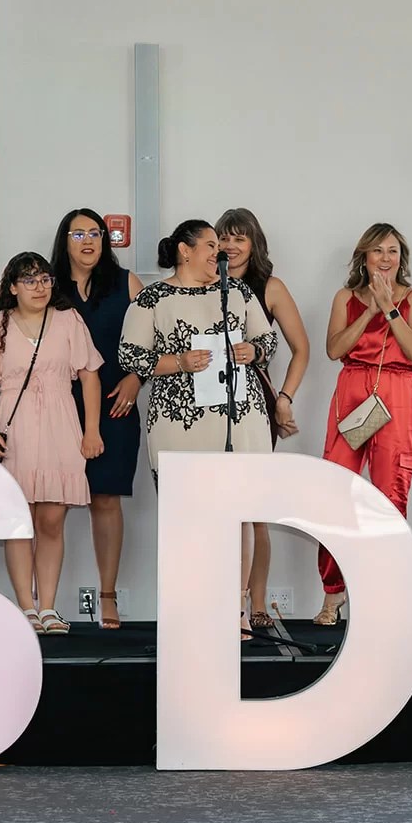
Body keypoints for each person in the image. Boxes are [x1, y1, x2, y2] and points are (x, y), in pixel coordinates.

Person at [117, 220, 278, 629]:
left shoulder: (237, 292)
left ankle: (236, 611)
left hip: (239, 418)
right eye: (209, 245)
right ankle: (190, 614)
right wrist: (178, 362)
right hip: (179, 424)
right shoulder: (153, 298)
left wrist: (253, 350)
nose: (218, 252)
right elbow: (130, 355)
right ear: (184, 251)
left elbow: (269, 341)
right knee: (188, 518)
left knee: (239, 514)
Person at [0, 252, 104, 635]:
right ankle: (25, 607)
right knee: (20, 519)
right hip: (17, 425)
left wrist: (92, 431)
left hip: (62, 423)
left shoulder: (68, 319)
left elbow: (90, 377)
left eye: (44, 279)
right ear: (13, 287)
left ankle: (48, 607)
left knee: (51, 520)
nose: (39, 287)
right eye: (29, 280)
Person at [317, 224, 412, 623]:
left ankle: (385, 592)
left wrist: (390, 308)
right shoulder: (345, 297)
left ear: (401, 258)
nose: (385, 258)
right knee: (335, 490)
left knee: (390, 491)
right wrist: (369, 310)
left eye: (392, 251)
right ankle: (333, 593)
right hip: (353, 389)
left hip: (396, 392)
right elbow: (334, 349)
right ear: (364, 257)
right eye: (377, 250)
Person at [217, 208, 311, 624]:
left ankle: (255, 605)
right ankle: (221, 602)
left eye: (239, 238)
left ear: (254, 243)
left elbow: (301, 348)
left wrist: (285, 397)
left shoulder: (270, 287)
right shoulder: (204, 284)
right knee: (219, 507)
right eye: (224, 238)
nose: (230, 246)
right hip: (207, 407)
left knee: (253, 508)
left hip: (254, 403)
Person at [52, 209, 143, 630]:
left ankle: (108, 596)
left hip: (115, 403)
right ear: (64, 241)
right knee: (49, 504)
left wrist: (136, 379)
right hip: (57, 406)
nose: (87, 241)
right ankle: (44, 602)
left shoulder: (126, 283)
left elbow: (153, 340)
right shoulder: (48, 286)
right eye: (78, 234)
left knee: (106, 499)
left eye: (95, 233)